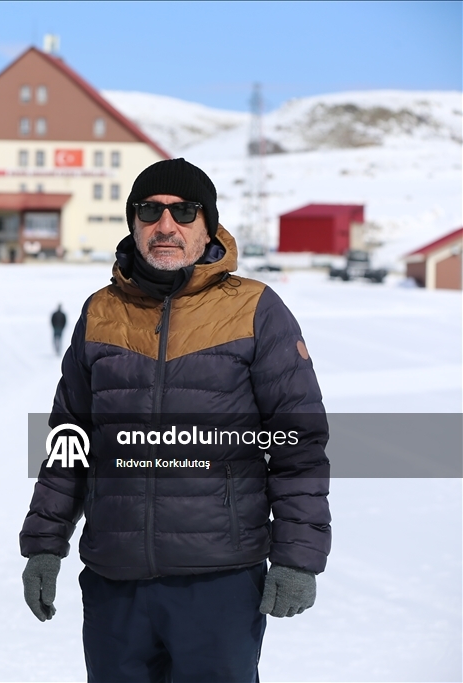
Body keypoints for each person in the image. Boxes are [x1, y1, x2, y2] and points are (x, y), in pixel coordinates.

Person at [19, 158, 331, 682]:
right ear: (133, 223)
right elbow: (67, 438)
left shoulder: (254, 309)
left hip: (220, 580)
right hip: (114, 579)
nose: (166, 226)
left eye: (183, 212)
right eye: (150, 211)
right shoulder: (101, 312)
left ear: (207, 225)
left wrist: (299, 556)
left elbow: (298, 441)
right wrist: (45, 544)